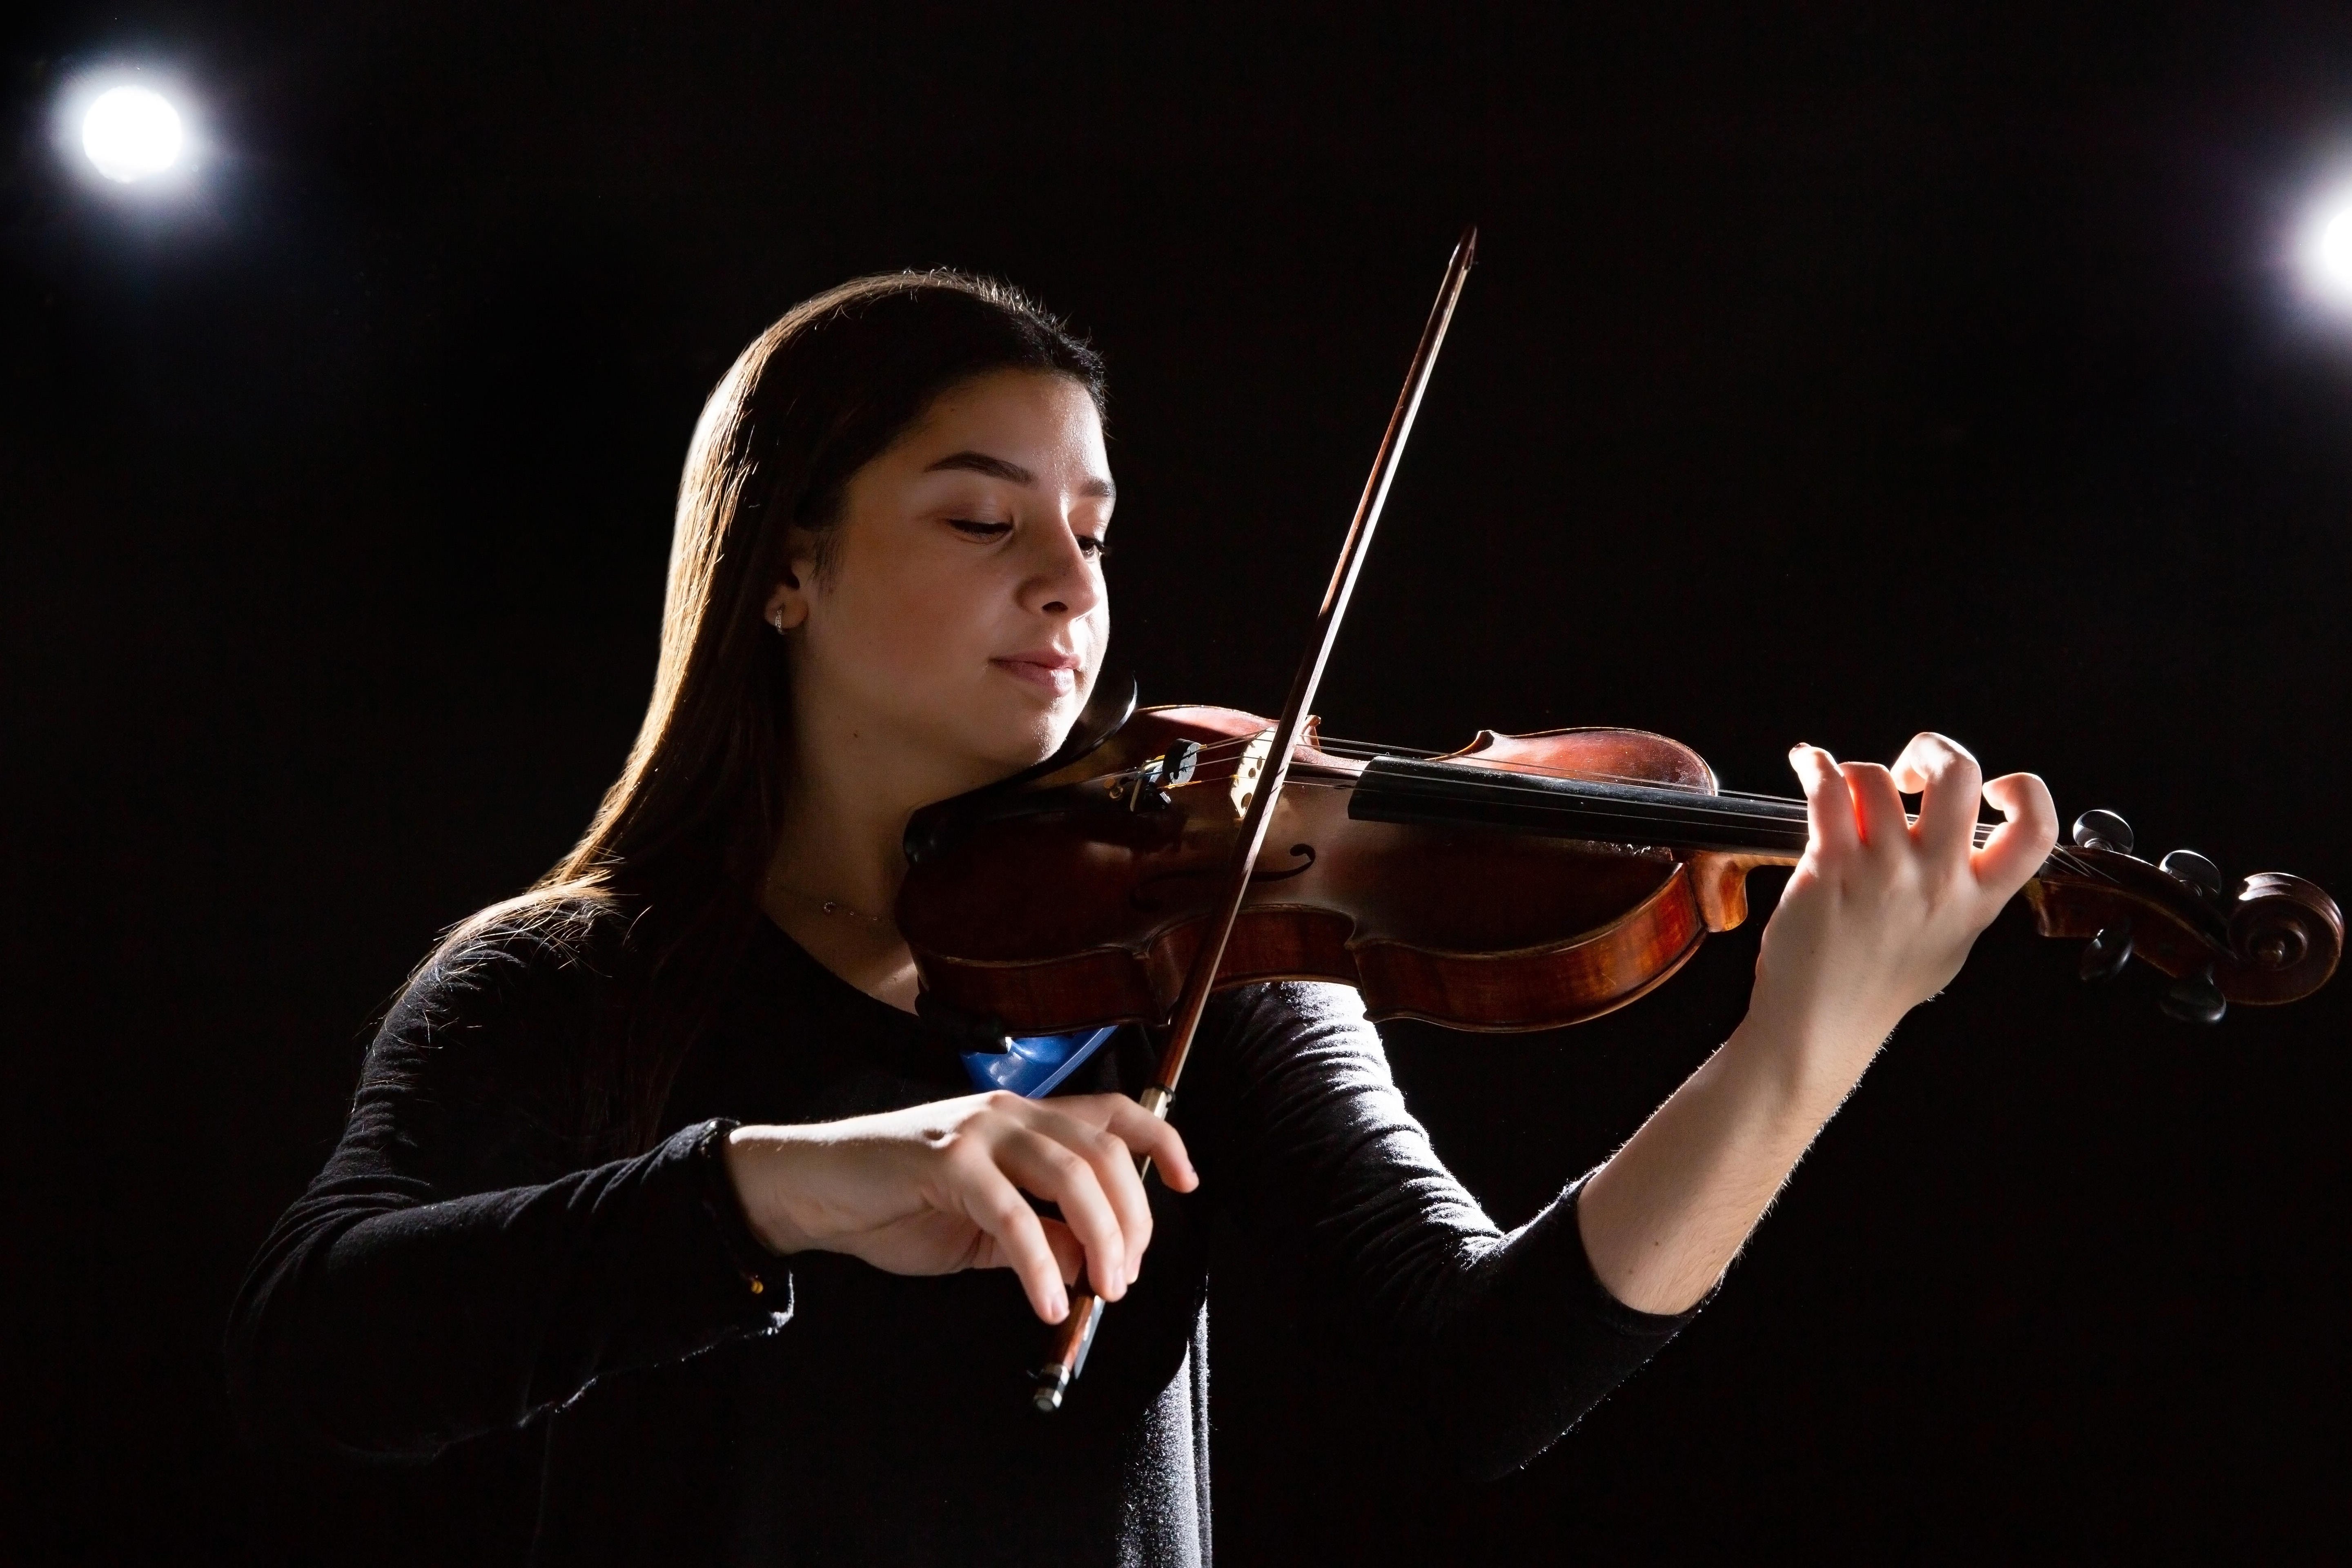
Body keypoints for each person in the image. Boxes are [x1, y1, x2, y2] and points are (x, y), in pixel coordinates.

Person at [228, 270, 2058, 1565]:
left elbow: (1479, 1375)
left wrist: (1806, 1044)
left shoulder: (1205, 949)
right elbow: (327, 1341)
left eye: (1095, 529)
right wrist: (782, 1182)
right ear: (786, 564)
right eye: (981, 518)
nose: (1069, 582)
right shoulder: (567, 980)